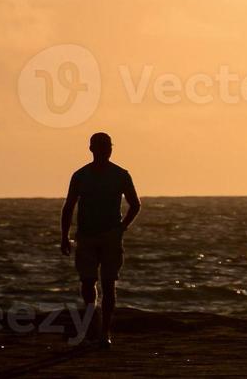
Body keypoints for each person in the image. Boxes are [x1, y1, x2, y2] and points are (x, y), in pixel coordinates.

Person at [60, 132, 141, 347]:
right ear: (91, 149)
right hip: (86, 235)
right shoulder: (80, 175)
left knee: (108, 283)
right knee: (87, 283)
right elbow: (69, 206)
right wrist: (64, 237)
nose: (106, 150)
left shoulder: (121, 174)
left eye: (108, 147)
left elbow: (135, 204)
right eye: (101, 147)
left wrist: (122, 227)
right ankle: (91, 327)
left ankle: (105, 332)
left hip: (110, 236)